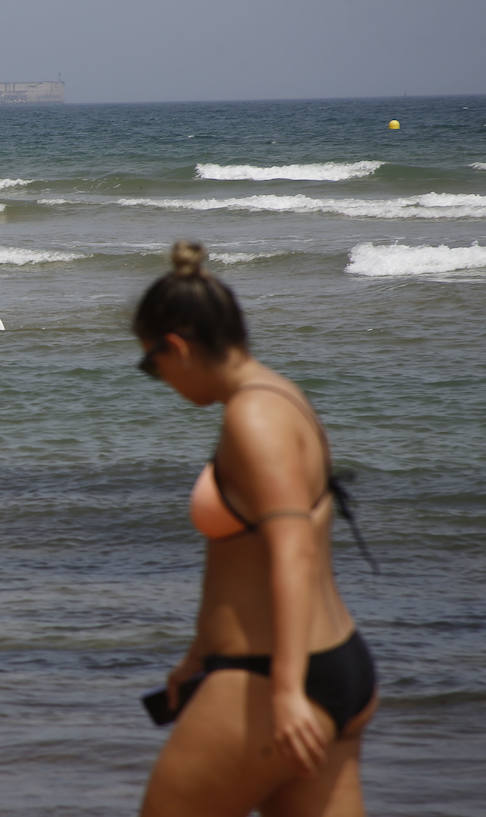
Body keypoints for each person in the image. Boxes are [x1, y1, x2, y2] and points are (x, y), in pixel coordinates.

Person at [132, 241, 377, 817]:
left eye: (152, 363)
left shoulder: (253, 417)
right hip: (333, 667)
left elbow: (291, 554)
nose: (159, 379)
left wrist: (288, 692)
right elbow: (244, 558)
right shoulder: (282, 397)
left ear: (177, 346)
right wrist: (198, 655)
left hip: (271, 678)